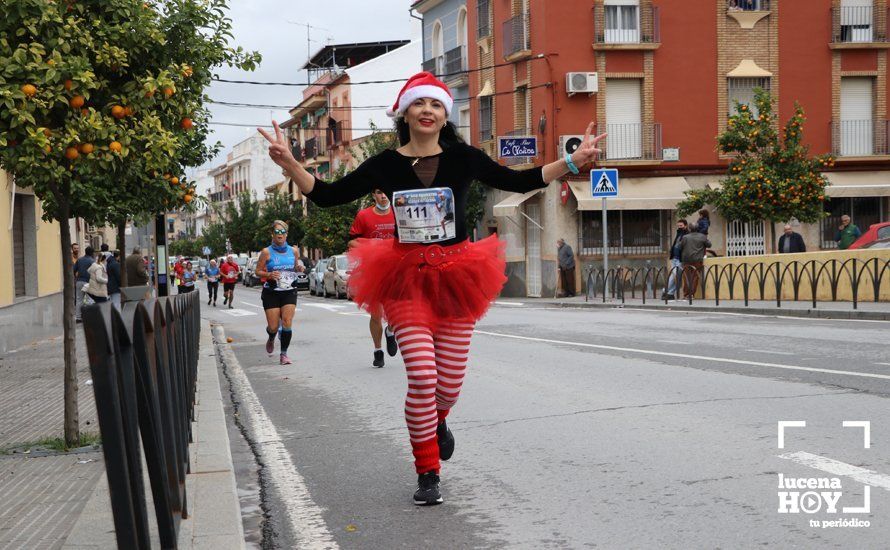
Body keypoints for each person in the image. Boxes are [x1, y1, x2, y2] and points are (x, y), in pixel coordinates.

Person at [259, 70, 605, 506]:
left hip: (458, 275)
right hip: (405, 278)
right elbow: (329, 195)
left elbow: (520, 180)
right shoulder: (385, 163)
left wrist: (572, 162)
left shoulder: (464, 157)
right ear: (405, 113)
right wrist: (291, 164)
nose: (427, 111)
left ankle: (437, 421)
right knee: (423, 376)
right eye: (420, 104)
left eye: (436, 105)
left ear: (445, 116)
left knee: (449, 385)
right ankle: (427, 471)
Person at [348, 188, 399, 368]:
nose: (383, 195)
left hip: (396, 270)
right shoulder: (364, 215)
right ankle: (378, 351)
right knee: (376, 314)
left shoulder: (398, 211)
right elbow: (351, 241)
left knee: (395, 312)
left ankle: (391, 331)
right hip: (373, 271)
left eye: (386, 192)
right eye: (379, 192)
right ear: (373, 195)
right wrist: (371, 244)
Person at [255, 221, 305, 365]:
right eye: (277, 232)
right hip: (271, 292)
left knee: (287, 322)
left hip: (289, 291)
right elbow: (257, 271)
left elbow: (295, 266)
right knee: (273, 326)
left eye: (282, 232)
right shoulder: (266, 252)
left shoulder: (293, 251)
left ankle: (284, 354)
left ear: (286, 234)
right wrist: (269, 274)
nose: (280, 235)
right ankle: (271, 337)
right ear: (272, 234)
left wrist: (299, 268)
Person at [678, 224, 711, 299]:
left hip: (686, 260)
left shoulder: (685, 237)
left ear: (689, 229)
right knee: (695, 277)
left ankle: (686, 294)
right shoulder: (702, 236)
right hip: (697, 259)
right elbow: (709, 245)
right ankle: (691, 294)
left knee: (686, 277)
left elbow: (679, 247)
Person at [663, 219, 688, 300]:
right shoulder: (679, 232)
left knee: (676, 276)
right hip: (674, 258)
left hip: (680, 259)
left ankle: (667, 291)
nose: (679, 227)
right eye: (678, 226)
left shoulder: (687, 234)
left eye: (681, 226)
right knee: (675, 277)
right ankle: (668, 292)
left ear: (685, 225)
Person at [73, 246, 95, 322]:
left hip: (79, 281)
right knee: (90, 299)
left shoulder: (79, 260)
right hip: (88, 282)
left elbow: (73, 270)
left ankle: (78, 318)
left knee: (79, 300)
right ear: (92, 253)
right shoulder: (92, 261)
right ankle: (89, 317)